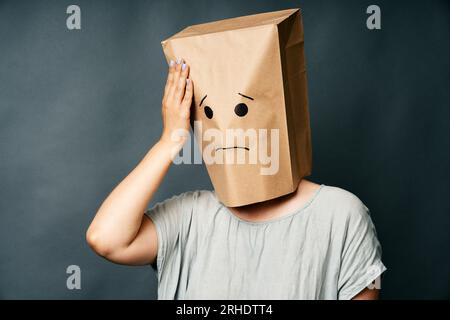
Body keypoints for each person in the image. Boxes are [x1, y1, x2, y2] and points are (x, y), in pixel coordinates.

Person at [86, 58, 386, 300]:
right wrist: (170, 141)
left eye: (243, 110)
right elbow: (106, 239)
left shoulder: (341, 215)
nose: (229, 132)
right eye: (212, 113)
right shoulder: (190, 216)